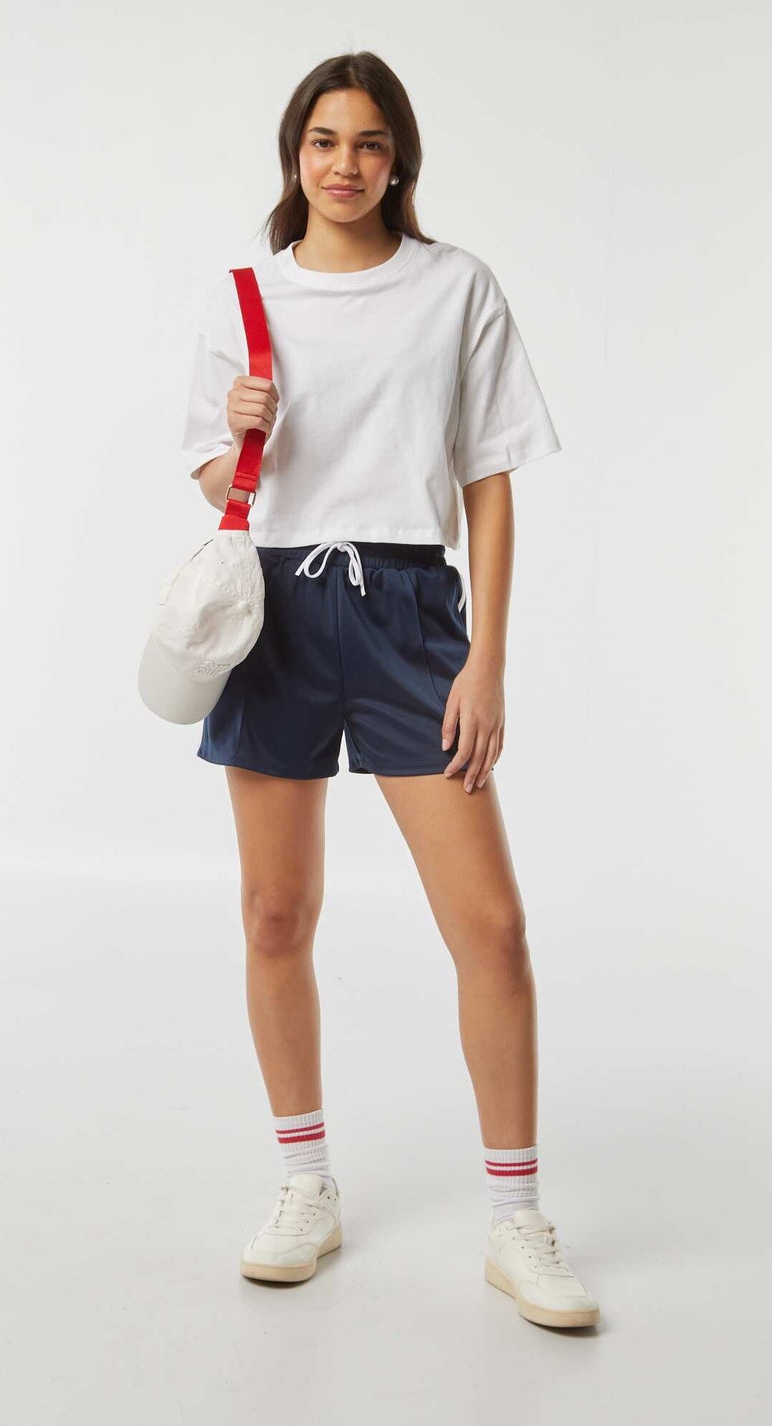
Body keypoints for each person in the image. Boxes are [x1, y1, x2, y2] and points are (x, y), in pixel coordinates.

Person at [179, 51, 599, 1331]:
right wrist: (239, 433)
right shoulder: (247, 296)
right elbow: (219, 484)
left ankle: (515, 1217)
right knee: (273, 913)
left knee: (491, 927)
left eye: (368, 143)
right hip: (277, 610)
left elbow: (488, 481)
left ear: (398, 158)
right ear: (292, 153)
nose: (344, 165)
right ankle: (303, 1181)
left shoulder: (454, 287)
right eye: (322, 141)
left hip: (412, 609)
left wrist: (487, 657)